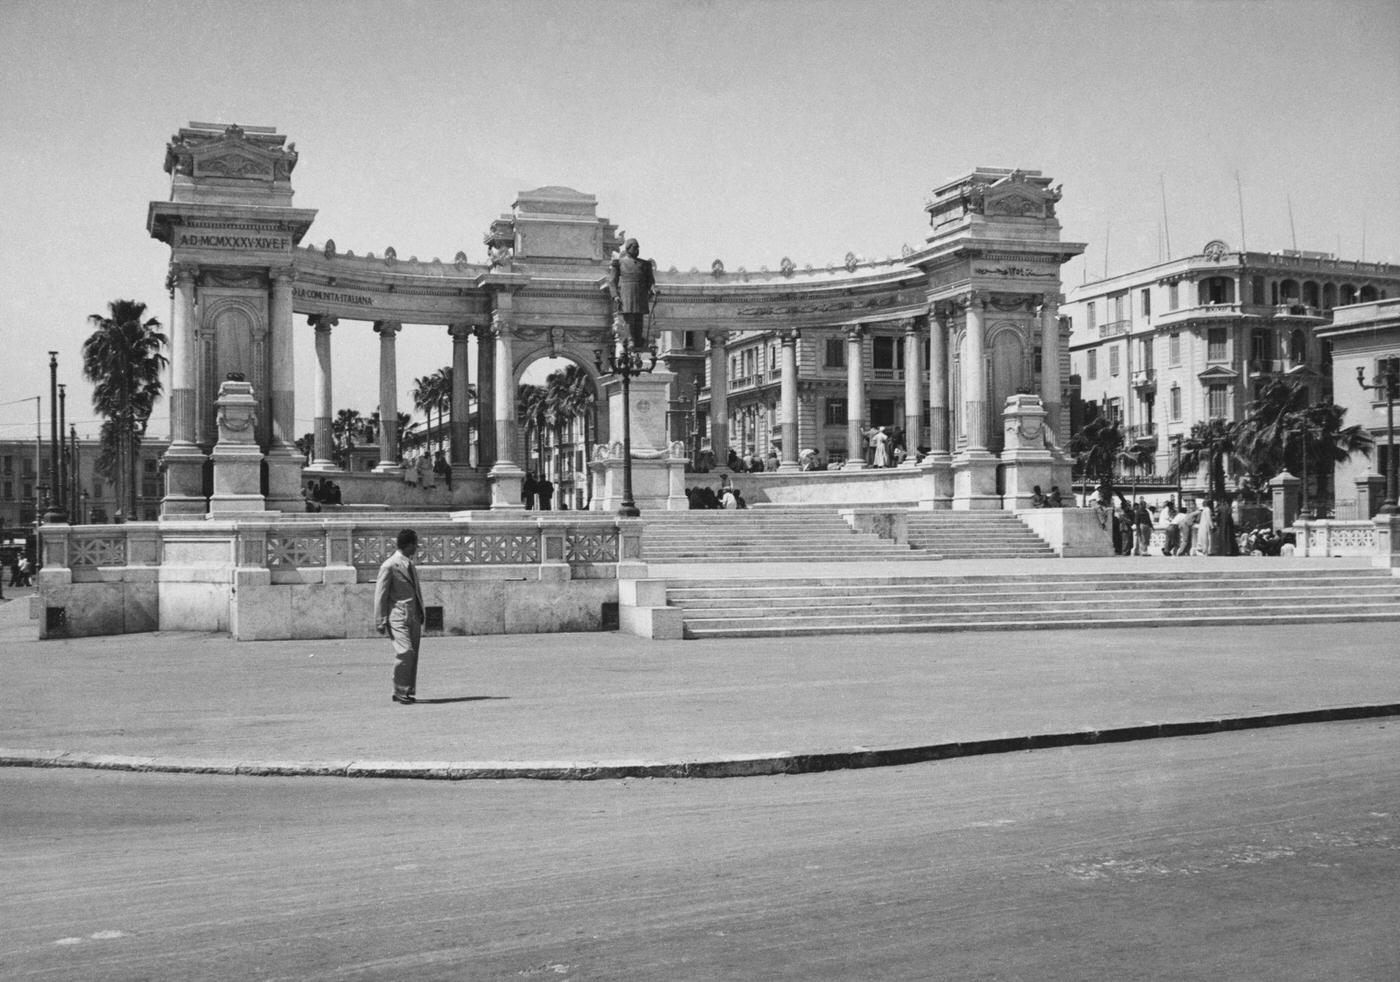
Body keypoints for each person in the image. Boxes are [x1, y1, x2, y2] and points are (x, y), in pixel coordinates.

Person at [374, 528, 426, 705]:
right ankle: (398, 690)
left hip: (413, 615)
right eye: (415, 544)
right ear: (409, 545)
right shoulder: (389, 566)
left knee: (413, 654)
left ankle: (407, 689)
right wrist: (380, 620)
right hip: (397, 616)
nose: (417, 548)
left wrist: (421, 612)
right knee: (406, 652)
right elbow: (380, 594)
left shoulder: (410, 564)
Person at [609, 238, 658, 349]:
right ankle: (630, 339)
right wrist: (615, 295)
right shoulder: (619, 263)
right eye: (635, 247)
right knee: (629, 317)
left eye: (638, 248)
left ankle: (638, 339)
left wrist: (653, 288)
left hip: (641, 293)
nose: (637, 250)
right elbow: (612, 281)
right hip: (627, 293)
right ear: (628, 248)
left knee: (639, 317)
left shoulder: (645, 264)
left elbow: (650, 281)